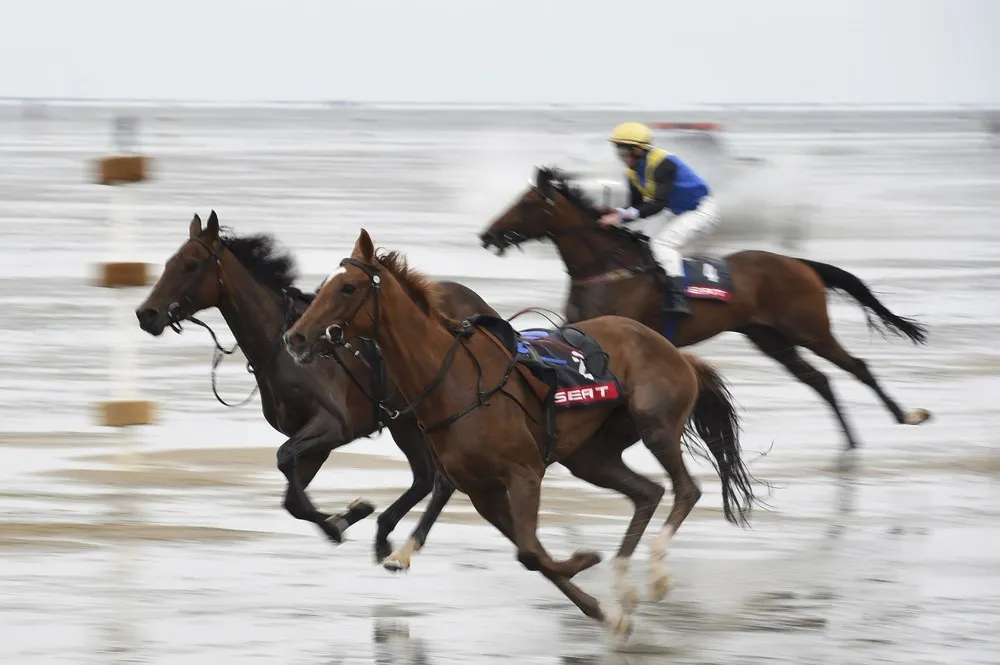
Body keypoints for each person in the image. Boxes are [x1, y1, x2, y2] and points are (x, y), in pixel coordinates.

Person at [598, 121, 720, 316]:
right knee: (642, 240)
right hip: (676, 211)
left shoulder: (664, 164)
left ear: (638, 150)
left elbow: (657, 204)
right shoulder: (631, 171)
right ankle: (655, 282)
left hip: (701, 209)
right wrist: (614, 214)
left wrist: (620, 214)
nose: (620, 156)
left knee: (662, 245)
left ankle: (679, 298)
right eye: (617, 149)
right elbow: (636, 206)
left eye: (623, 150)